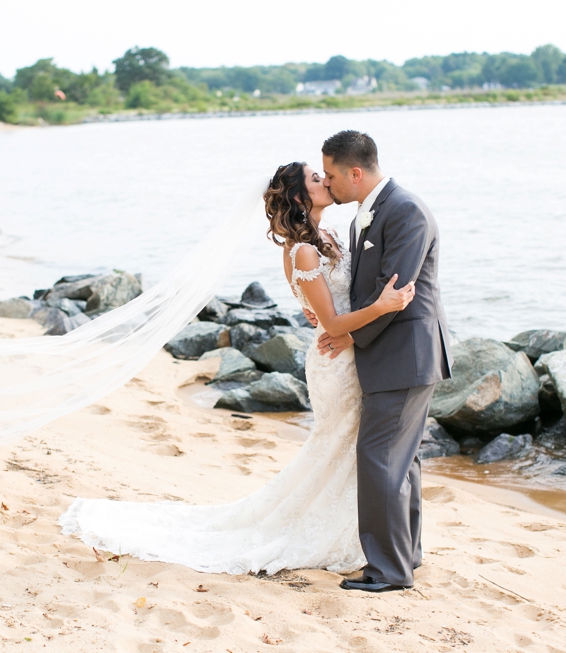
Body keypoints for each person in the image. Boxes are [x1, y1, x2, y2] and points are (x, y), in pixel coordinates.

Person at [57, 160, 415, 575]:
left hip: (352, 352)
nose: (325, 179)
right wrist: (382, 307)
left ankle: (357, 533)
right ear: (300, 197)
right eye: (316, 178)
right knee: (336, 445)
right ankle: (338, 534)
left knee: (348, 449)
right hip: (335, 360)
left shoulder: (333, 235)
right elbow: (331, 322)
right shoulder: (300, 252)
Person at [312, 130, 452, 593]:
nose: (328, 183)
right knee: (401, 461)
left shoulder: (406, 210)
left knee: (379, 459)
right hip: (392, 353)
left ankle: (389, 571)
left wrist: (347, 334)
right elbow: (366, 291)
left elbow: (395, 292)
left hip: (405, 354)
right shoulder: (364, 216)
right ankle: (404, 556)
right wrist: (333, 318)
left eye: (331, 174)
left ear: (355, 172)